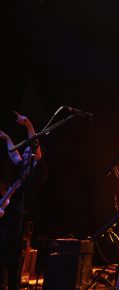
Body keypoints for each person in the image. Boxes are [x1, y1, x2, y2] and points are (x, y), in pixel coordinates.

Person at [0, 111, 45, 290]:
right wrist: (6, 138)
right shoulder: (22, 169)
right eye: (24, 153)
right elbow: (13, 154)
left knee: (13, 259)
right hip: (9, 218)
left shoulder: (37, 172)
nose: (25, 154)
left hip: (20, 219)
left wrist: (29, 126)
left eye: (28, 153)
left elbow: (34, 146)